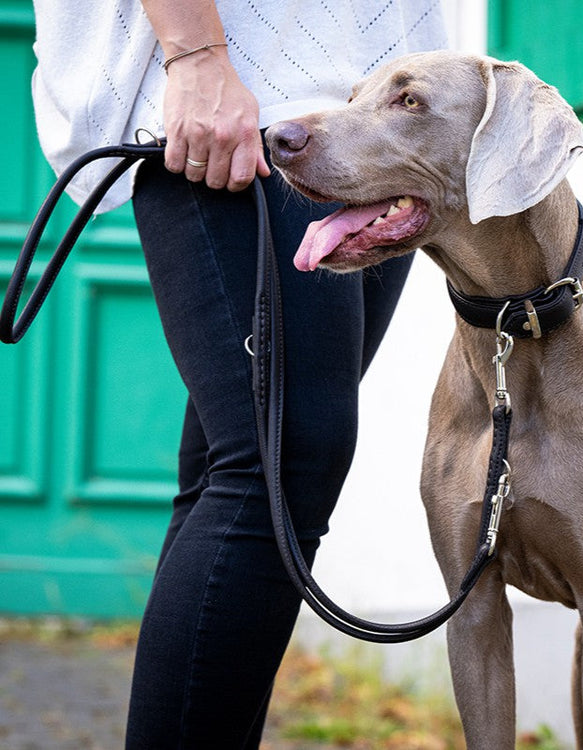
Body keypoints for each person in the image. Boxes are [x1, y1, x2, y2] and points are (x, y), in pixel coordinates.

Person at [30, 1, 448, 746]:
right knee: (278, 463)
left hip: (373, 116)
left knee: (252, 465)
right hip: (254, 86)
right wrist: (194, 57)